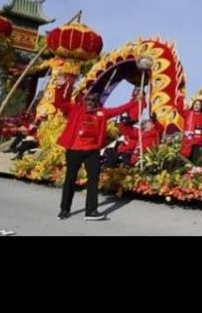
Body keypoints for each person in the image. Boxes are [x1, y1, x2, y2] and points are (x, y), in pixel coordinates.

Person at [53, 81, 144, 221]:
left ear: (98, 102)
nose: (90, 102)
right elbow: (59, 103)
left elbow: (120, 109)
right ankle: (64, 209)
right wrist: (60, 87)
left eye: (94, 100)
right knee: (70, 179)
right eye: (88, 99)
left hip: (92, 150)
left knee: (93, 179)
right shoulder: (75, 109)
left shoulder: (102, 113)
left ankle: (91, 211)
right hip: (74, 150)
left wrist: (136, 101)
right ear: (84, 100)